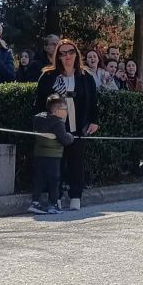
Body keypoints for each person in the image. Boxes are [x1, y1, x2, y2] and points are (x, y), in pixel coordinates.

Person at [33, 38, 99, 210]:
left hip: (78, 124)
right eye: (63, 53)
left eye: (71, 52)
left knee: (76, 160)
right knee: (56, 162)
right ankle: (56, 196)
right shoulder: (49, 76)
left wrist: (94, 121)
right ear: (58, 56)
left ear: (76, 55)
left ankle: (76, 195)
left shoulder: (85, 77)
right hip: (55, 126)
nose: (67, 56)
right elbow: (39, 102)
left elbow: (93, 102)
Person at [29, 93, 76, 214]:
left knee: (39, 179)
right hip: (53, 156)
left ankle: (35, 202)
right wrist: (71, 137)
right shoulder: (57, 123)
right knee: (54, 180)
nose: (66, 112)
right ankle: (54, 204)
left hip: (39, 154)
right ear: (56, 110)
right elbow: (64, 139)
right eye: (65, 109)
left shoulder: (38, 119)